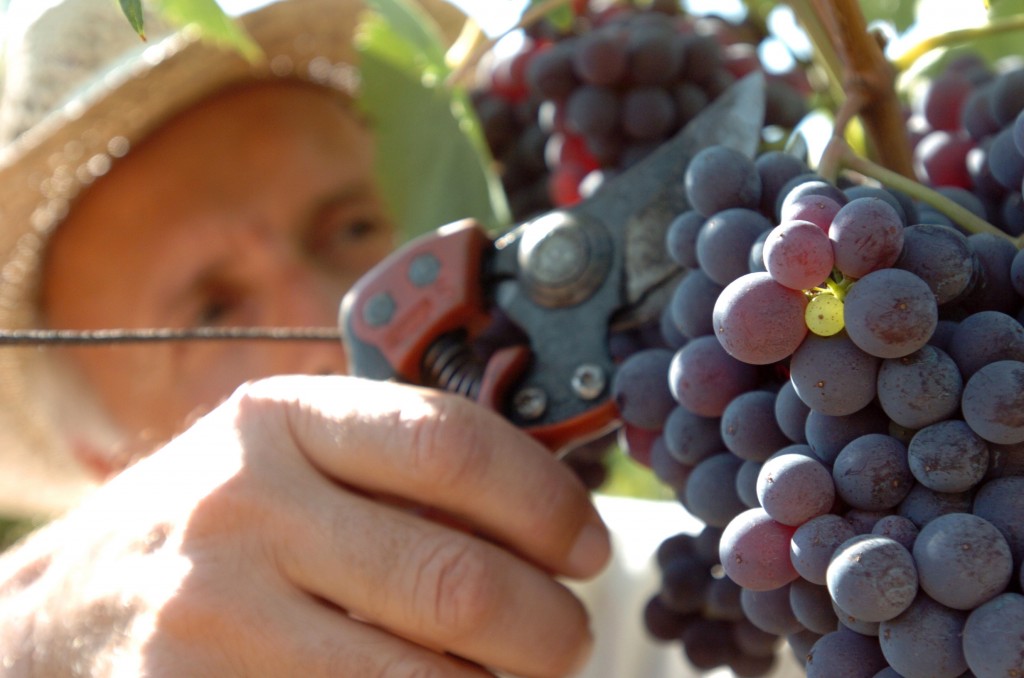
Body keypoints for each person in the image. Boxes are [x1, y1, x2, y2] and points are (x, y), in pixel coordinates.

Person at [0, 1, 802, 676]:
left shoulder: (758, 591)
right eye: (210, 310)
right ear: (107, 469)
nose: (327, 311)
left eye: (349, 227)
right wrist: (46, 639)